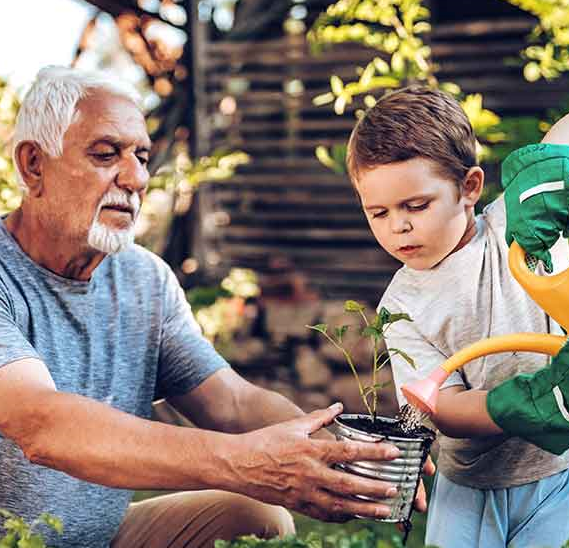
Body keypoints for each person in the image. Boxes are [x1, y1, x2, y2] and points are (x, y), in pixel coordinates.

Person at [0, 66, 408, 548]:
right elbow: (43, 426)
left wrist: (341, 454)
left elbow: (231, 401)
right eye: (106, 154)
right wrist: (244, 462)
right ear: (33, 166)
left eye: (143, 157)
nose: (135, 178)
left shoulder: (143, 278)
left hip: (102, 536)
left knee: (254, 513)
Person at [346, 85, 569, 548]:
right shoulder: (401, 303)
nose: (399, 225)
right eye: (378, 212)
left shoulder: (520, 226)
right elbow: (443, 405)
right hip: (472, 479)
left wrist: (544, 173)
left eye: (417, 205)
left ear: (469, 188)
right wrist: (517, 405)